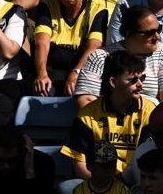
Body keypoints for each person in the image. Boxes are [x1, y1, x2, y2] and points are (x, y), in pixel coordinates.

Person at [63, 50, 156, 178]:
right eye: (133, 80)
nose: (140, 84)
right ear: (113, 82)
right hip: (97, 184)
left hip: (137, 183)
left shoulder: (149, 111)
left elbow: (152, 163)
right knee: (67, 188)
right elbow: (80, 167)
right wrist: (108, 187)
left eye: (142, 78)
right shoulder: (87, 115)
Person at [73, 6, 163, 108]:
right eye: (150, 33)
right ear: (129, 33)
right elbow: (86, 99)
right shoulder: (100, 56)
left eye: (158, 30)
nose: (158, 37)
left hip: (150, 123)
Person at [33, 0, 108, 96]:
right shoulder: (47, 7)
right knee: (42, 90)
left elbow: (94, 46)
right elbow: (41, 43)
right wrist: (42, 74)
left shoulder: (98, 10)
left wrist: (76, 73)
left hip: (82, 73)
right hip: (52, 73)